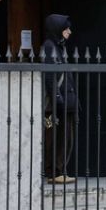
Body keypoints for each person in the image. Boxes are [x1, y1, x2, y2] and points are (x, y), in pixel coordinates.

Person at [42, 14, 79, 185]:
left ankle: (60, 170)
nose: (69, 32)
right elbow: (50, 76)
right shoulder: (49, 47)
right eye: (66, 28)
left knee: (66, 138)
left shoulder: (60, 47)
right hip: (57, 104)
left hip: (67, 102)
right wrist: (57, 98)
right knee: (54, 138)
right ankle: (53, 172)